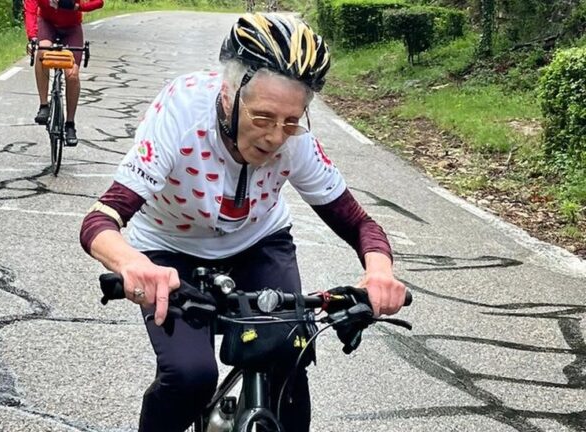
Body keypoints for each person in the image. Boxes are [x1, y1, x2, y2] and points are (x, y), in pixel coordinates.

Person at [80, 13, 407, 432]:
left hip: (258, 243)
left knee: (290, 358)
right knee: (190, 376)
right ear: (229, 92)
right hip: (166, 250)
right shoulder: (181, 114)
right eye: (263, 118)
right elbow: (100, 219)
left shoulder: (295, 140)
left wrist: (379, 273)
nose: (275, 137)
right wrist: (129, 262)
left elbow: (360, 224)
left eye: (291, 121)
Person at [24, 0, 104, 146]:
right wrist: (32, 37)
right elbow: (30, 10)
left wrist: (78, 7)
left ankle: (70, 124)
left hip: (72, 27)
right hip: (47, 24)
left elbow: (99, 2)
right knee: (42, 52)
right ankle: (44, 106)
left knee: (72, 75)